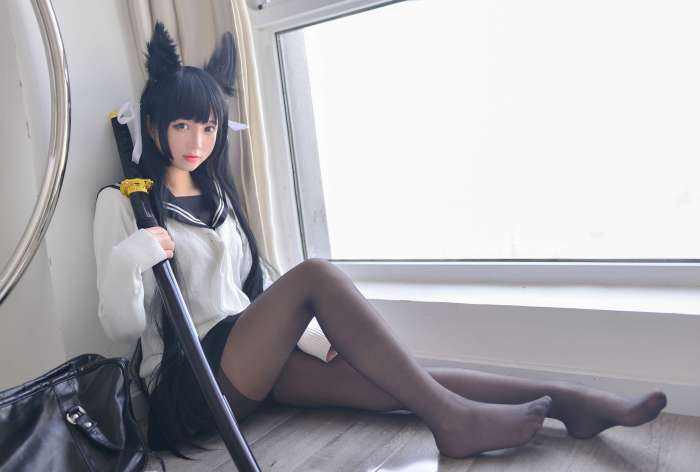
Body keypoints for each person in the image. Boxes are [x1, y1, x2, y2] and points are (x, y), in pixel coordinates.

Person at [94, 22, 667, 460]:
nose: (197, 140)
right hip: (191, 383)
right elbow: (120, 327)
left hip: (249, 360)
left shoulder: (220, 194)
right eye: (182, 125)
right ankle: (454, 423)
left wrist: (312, 339)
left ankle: (567, 402)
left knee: (396, 381)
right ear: (154, 126)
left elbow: (254, 292)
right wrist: (131, 257)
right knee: (316, 275)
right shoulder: (125, 204)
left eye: (209, 126)